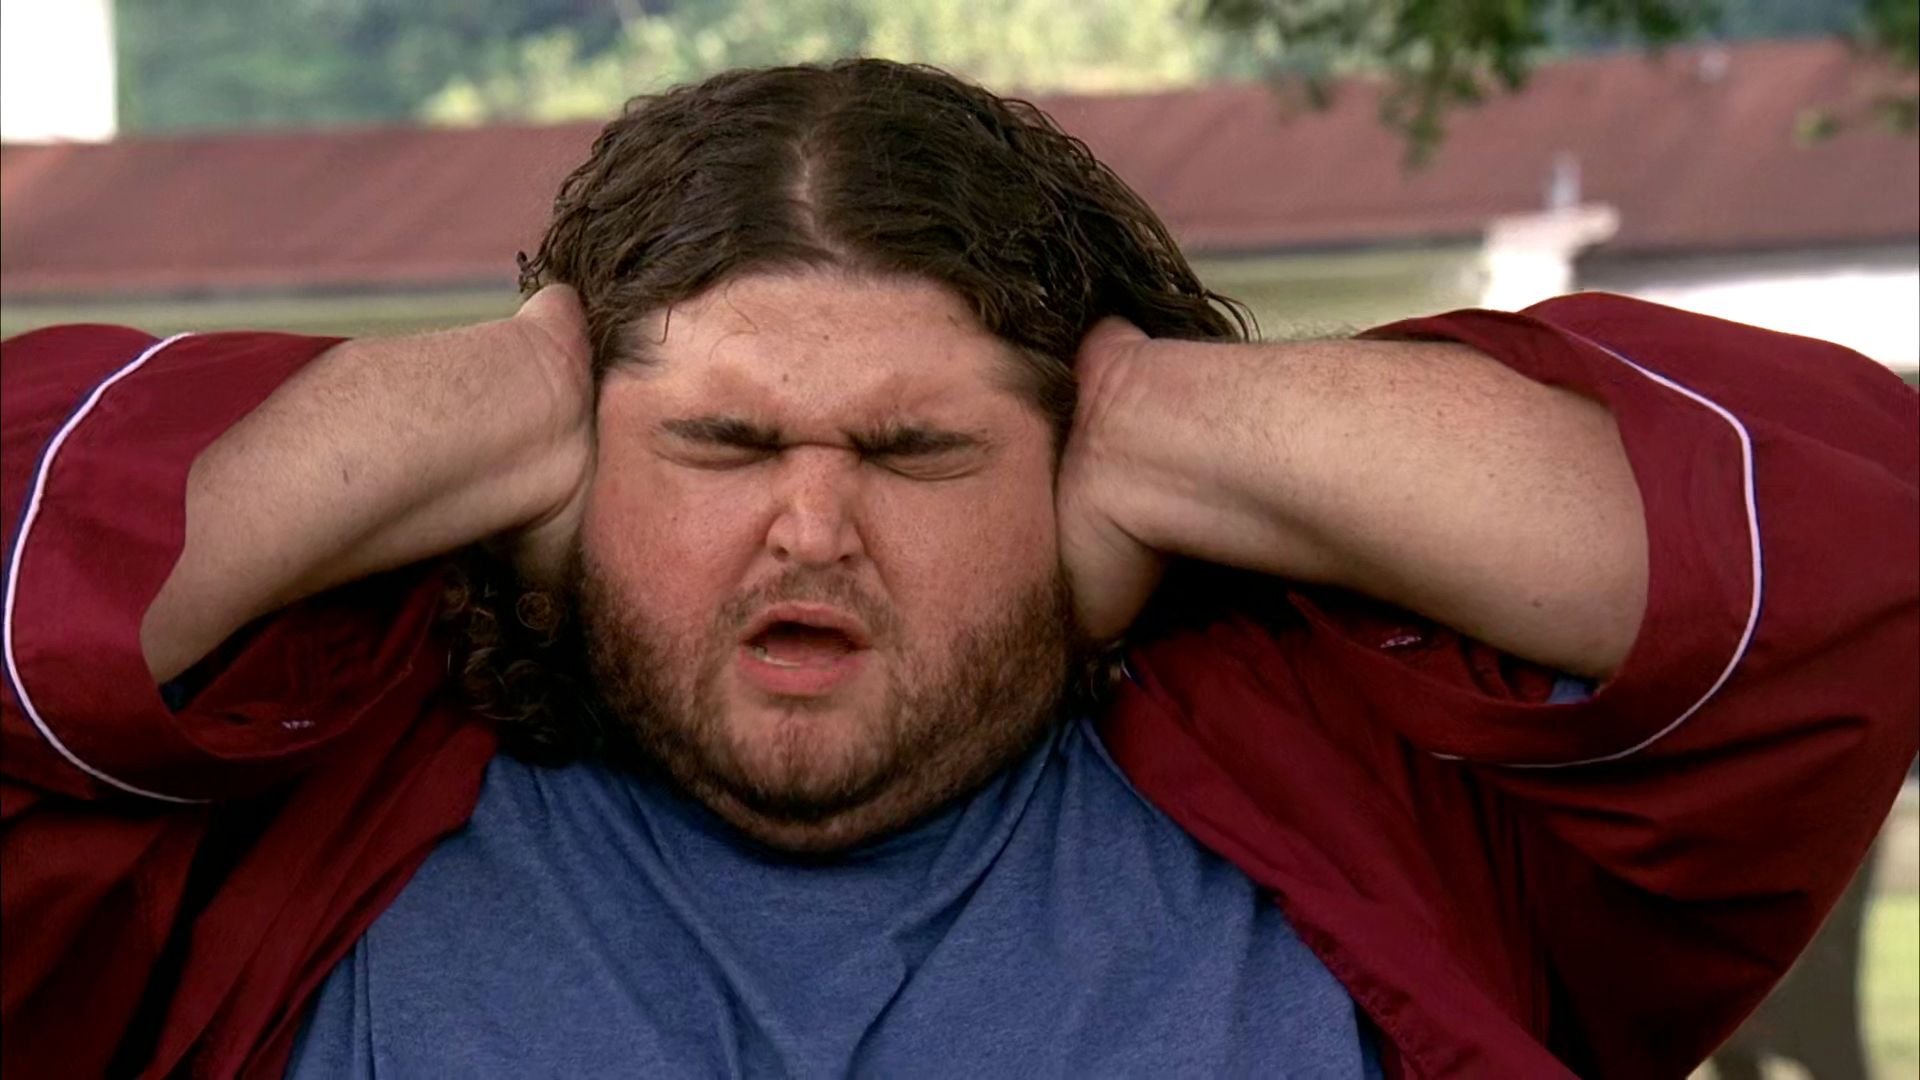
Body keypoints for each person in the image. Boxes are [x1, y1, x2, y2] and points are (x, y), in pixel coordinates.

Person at [2, 59, 1913, 1079]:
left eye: (919, 453)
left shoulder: (1369, 806)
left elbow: (1844, 568)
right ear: (558, 475)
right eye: (722, 445)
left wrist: (1172, 412)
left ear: (1083, 486)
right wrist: (473, 401)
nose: (813, 527)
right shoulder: (298, 793)